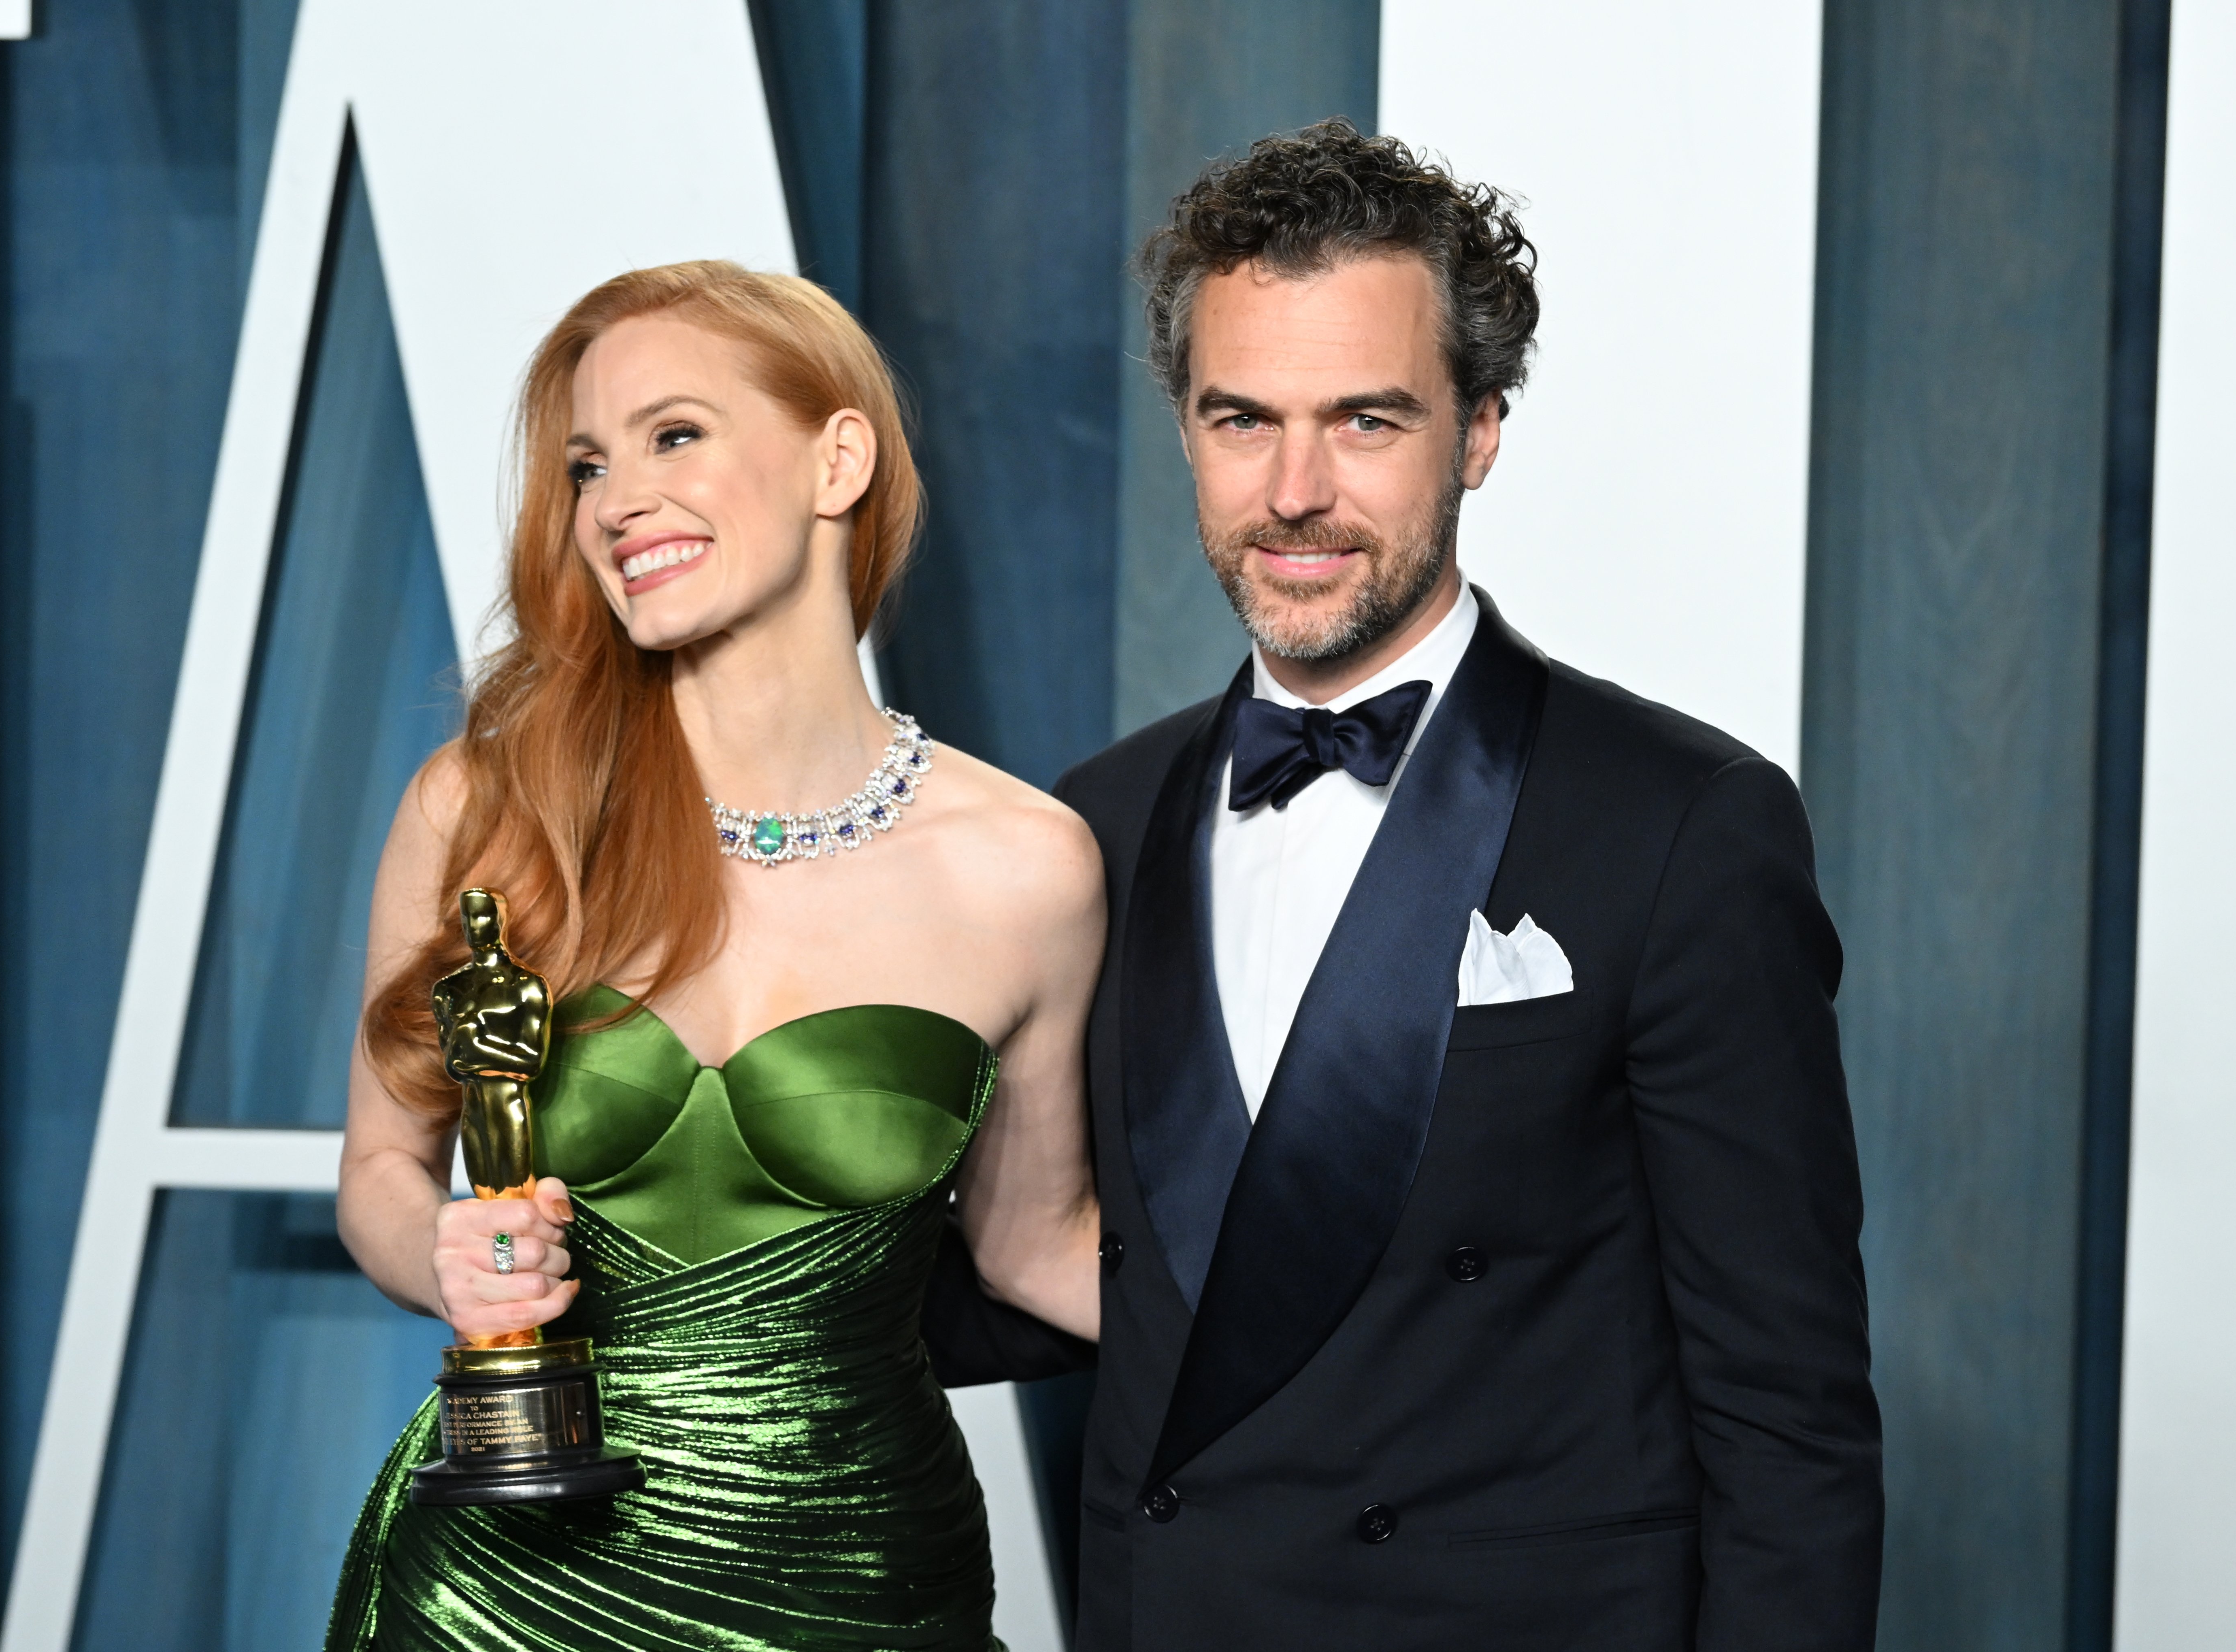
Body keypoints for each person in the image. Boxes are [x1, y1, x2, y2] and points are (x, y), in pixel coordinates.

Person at [928, 119, 1883, 1649]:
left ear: (1483, 428)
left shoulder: (1685, 823)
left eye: (1366, 422)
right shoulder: (1092, 824)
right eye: (1244, 420)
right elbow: (1123, 1276)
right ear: (1184, 427)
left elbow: (1789, 1412)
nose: (1295, 491)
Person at [324, 261, 1105, 1652]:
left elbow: (1039, 1248)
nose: (616, 501)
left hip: (865, 1587)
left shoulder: (1028, 868)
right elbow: (383, 1173)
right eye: (585, 465)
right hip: (503, 1588)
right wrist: (445, 1256)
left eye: (673, 435)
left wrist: (1421, 1347)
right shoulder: (490, 809)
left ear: (837, 458)